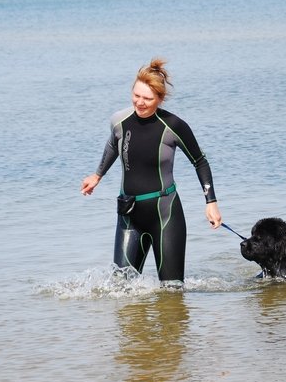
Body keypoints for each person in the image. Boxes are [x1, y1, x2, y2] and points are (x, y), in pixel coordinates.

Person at [80, 58, 223, 285]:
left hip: (165, 214)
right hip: (128, 214)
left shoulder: (173, 126)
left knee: (172, 292)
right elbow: (112, 146)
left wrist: (211, 202)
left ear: (160, 98)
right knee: (121, 289)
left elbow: (200, 161)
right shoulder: (119, 121)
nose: (140, 103)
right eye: (136, 95)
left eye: (147, 98)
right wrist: (97, 175)